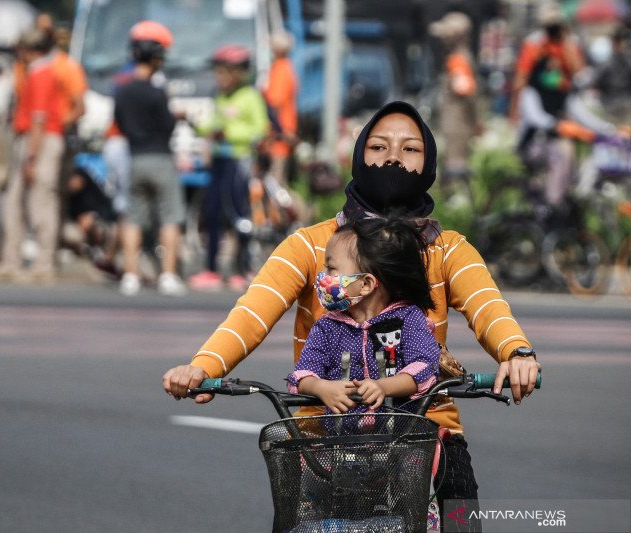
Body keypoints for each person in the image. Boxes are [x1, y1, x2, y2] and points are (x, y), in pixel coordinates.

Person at [163, 100, 541, 531]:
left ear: (429, 162)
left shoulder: (448, 247)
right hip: (324, 446)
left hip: (429, 437)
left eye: (410, 149)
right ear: (359, 156)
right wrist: (202, 368)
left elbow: (489, 306)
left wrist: (517, 352)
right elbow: (250, 314)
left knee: (463, 523)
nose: (394, 157)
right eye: (379, 146)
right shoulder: (310, 246)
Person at [287, 216, 439, 418]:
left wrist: (384, 387)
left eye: (331, 269)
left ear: (366, 284)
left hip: (401, 440)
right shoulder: (326, 326)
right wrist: (321, 388)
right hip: (342, 442)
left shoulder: (408, 319)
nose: (323, 276)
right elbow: (304, 373)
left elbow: (424, 366)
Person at [0, 28, 64, 283]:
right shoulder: (37, 72)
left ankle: (44, 264)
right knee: (13, 204)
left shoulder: (42, 74)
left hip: (38, 142)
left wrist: (31, 157)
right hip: (30, 140)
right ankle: (10, 261)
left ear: (28, 51)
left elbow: (39, 119)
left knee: (40, 205)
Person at [188, 45, 270, 293]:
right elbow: (213, 123)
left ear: (238, 73)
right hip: (219, 161)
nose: (218, 77)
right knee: (212, 213)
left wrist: (231, 133)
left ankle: (241, 269)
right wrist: (198, 126)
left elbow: (260, 130)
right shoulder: (220, 96)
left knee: (238, 214)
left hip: (239, 161)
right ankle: (211, 269)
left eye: (223, 72)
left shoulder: (251, 97)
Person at [114, 21, 187, 297]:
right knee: (169, 216)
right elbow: (168, 126)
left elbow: (119, 123)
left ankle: (130, 275)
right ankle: (167, 274)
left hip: (135, 157)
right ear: (154, 60)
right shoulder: (158, 92)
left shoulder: (123, 91)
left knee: (133, 217)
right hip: (160, 157)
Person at [429, 11, 479, 195]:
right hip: (457, 125)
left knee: (454, 174)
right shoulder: (459, 58)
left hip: (457, 126)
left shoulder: (458, 61)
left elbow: (465, 91)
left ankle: (456, 216)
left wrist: (475, 123)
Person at [263, 31, 299, 187]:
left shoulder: (280, 69)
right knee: (279, 182)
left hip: (280, 133)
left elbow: (274, 103)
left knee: (275, 183)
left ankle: (300, 211)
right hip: (284, 130)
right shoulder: (286, 67)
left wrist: (273, 132)